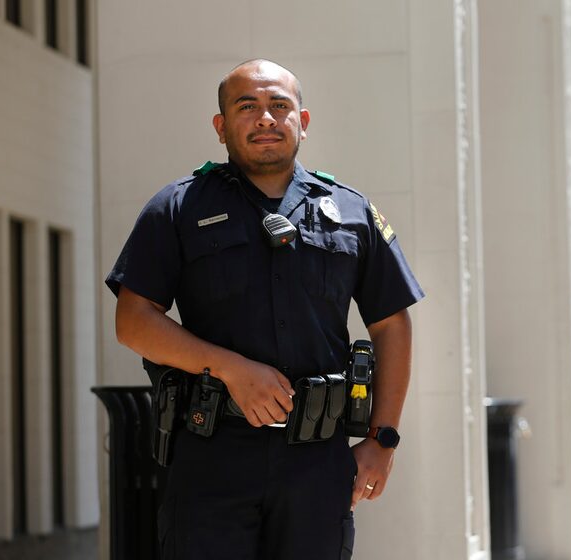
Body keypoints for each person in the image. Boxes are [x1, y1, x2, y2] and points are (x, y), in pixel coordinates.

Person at [106, 59, 424, 560]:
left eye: (280, 105)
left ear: (304, 120)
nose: (266, 118)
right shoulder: (176, 208)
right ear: (221, 126)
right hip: (212, 455)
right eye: (247, 106)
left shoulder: (351, 211)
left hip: (317, 462)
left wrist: (382, 440)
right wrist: (231, 369)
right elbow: (133, 321)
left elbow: (392, 324)